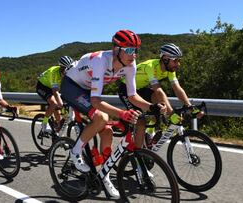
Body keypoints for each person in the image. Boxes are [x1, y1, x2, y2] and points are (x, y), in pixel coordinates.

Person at [60, 29, 165, 198]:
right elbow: (95, 101)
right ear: (117, 49)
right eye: (130, 50)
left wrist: (151, 107)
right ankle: (76, 151)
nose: (134, 55)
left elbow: (132, 96)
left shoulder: (130, 65)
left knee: (107, 131)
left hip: (88, 90)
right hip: (72, 86)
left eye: (136, 50)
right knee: (102, 117)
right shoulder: (101, 62)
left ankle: (104, 175)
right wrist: (122, 114)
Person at [118, 43, 204, 148]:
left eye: (179, 60)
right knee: (141, 122)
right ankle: (138, 154)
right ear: (165, 59)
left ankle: (149, 133)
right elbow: (158, 90)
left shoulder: (170, 70)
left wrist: (189, 106)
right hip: (126, 89)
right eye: (175, 60)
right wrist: (171, 113)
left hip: (140, 89)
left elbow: (177, 89)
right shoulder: (151, 66)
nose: (178, 64)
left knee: (158, 104)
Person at [36, 56, 74, 133]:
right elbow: (55, 92)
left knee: (58, 111)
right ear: (61, 68)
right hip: (42, 86)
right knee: (54, 103)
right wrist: (62, 106)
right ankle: (44, 123)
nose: (67, 72)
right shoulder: (54, 73)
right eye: (65, 69)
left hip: (52, 87)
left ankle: (58, 131)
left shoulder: (69, 73)